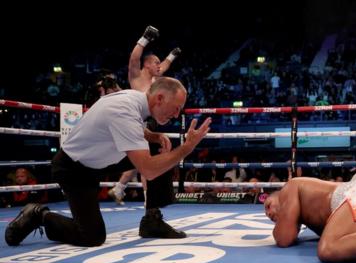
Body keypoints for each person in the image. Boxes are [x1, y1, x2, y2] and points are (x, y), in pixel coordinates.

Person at [5, 77, 211, 247]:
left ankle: (152, 221)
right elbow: (147, 170)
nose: (177, 115)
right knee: (91, 236)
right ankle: (39, 215)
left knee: (161, 148)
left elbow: (134, 127)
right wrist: (186, 148)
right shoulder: (124, 109)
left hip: (99, 161)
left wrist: (153, 136)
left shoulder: (137, 100)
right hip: (74, 170)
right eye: (176, 108)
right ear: (159, 98)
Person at [109, 25, 182, 205]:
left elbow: (164, 65)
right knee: (145, 161)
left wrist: (172, 55)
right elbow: (134, 58)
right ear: (147, 64)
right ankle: (146, 198)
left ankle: (120, 188)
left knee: (145, 161)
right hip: (138, 121)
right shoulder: (137, 76)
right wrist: (144, 39)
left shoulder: (155, 81)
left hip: (151, 124)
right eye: (156, 62)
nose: (159, 65)